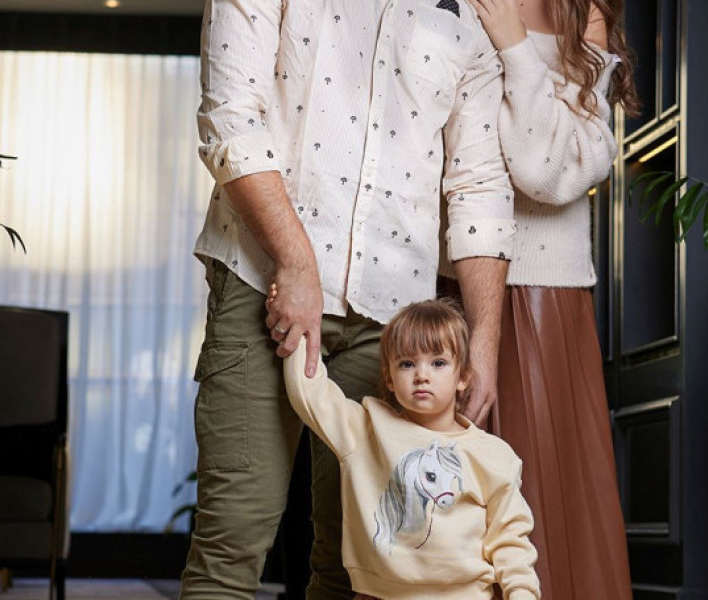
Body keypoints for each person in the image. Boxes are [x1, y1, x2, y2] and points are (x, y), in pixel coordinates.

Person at [180, 1, 516, 599]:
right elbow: (229, 117)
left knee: (356, 557)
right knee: (231, 541)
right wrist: (296, 260)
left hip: (393, 329)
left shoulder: (470, 16)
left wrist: (483, 343)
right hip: (260, 283)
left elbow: (480, 187)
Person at [441, 0, 641, 598]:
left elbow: (546, 169)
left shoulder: (584, 12)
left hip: (545, 297)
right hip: (450, 285)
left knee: (545, 510)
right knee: (450, 511)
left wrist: (514, 47)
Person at [283, 298, 541, 600]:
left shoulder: (493, 456)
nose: (422, 375)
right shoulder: (364, 429)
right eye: (407, 363)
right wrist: (297, 321)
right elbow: (309, 392)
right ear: (389, 379)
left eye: (438, 363)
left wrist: (521, 593)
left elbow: (510, 540)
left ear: (463, 377)